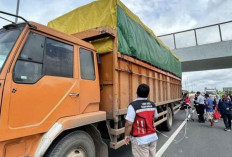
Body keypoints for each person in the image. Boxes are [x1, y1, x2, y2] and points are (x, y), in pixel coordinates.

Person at [124, 84, 158, 157]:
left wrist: (126, 135)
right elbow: (155, 117)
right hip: (153, 137)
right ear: (148, 94)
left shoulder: (133, 106)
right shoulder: (152, 104)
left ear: (137, 93)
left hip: (140, 140)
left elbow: (129, 123)